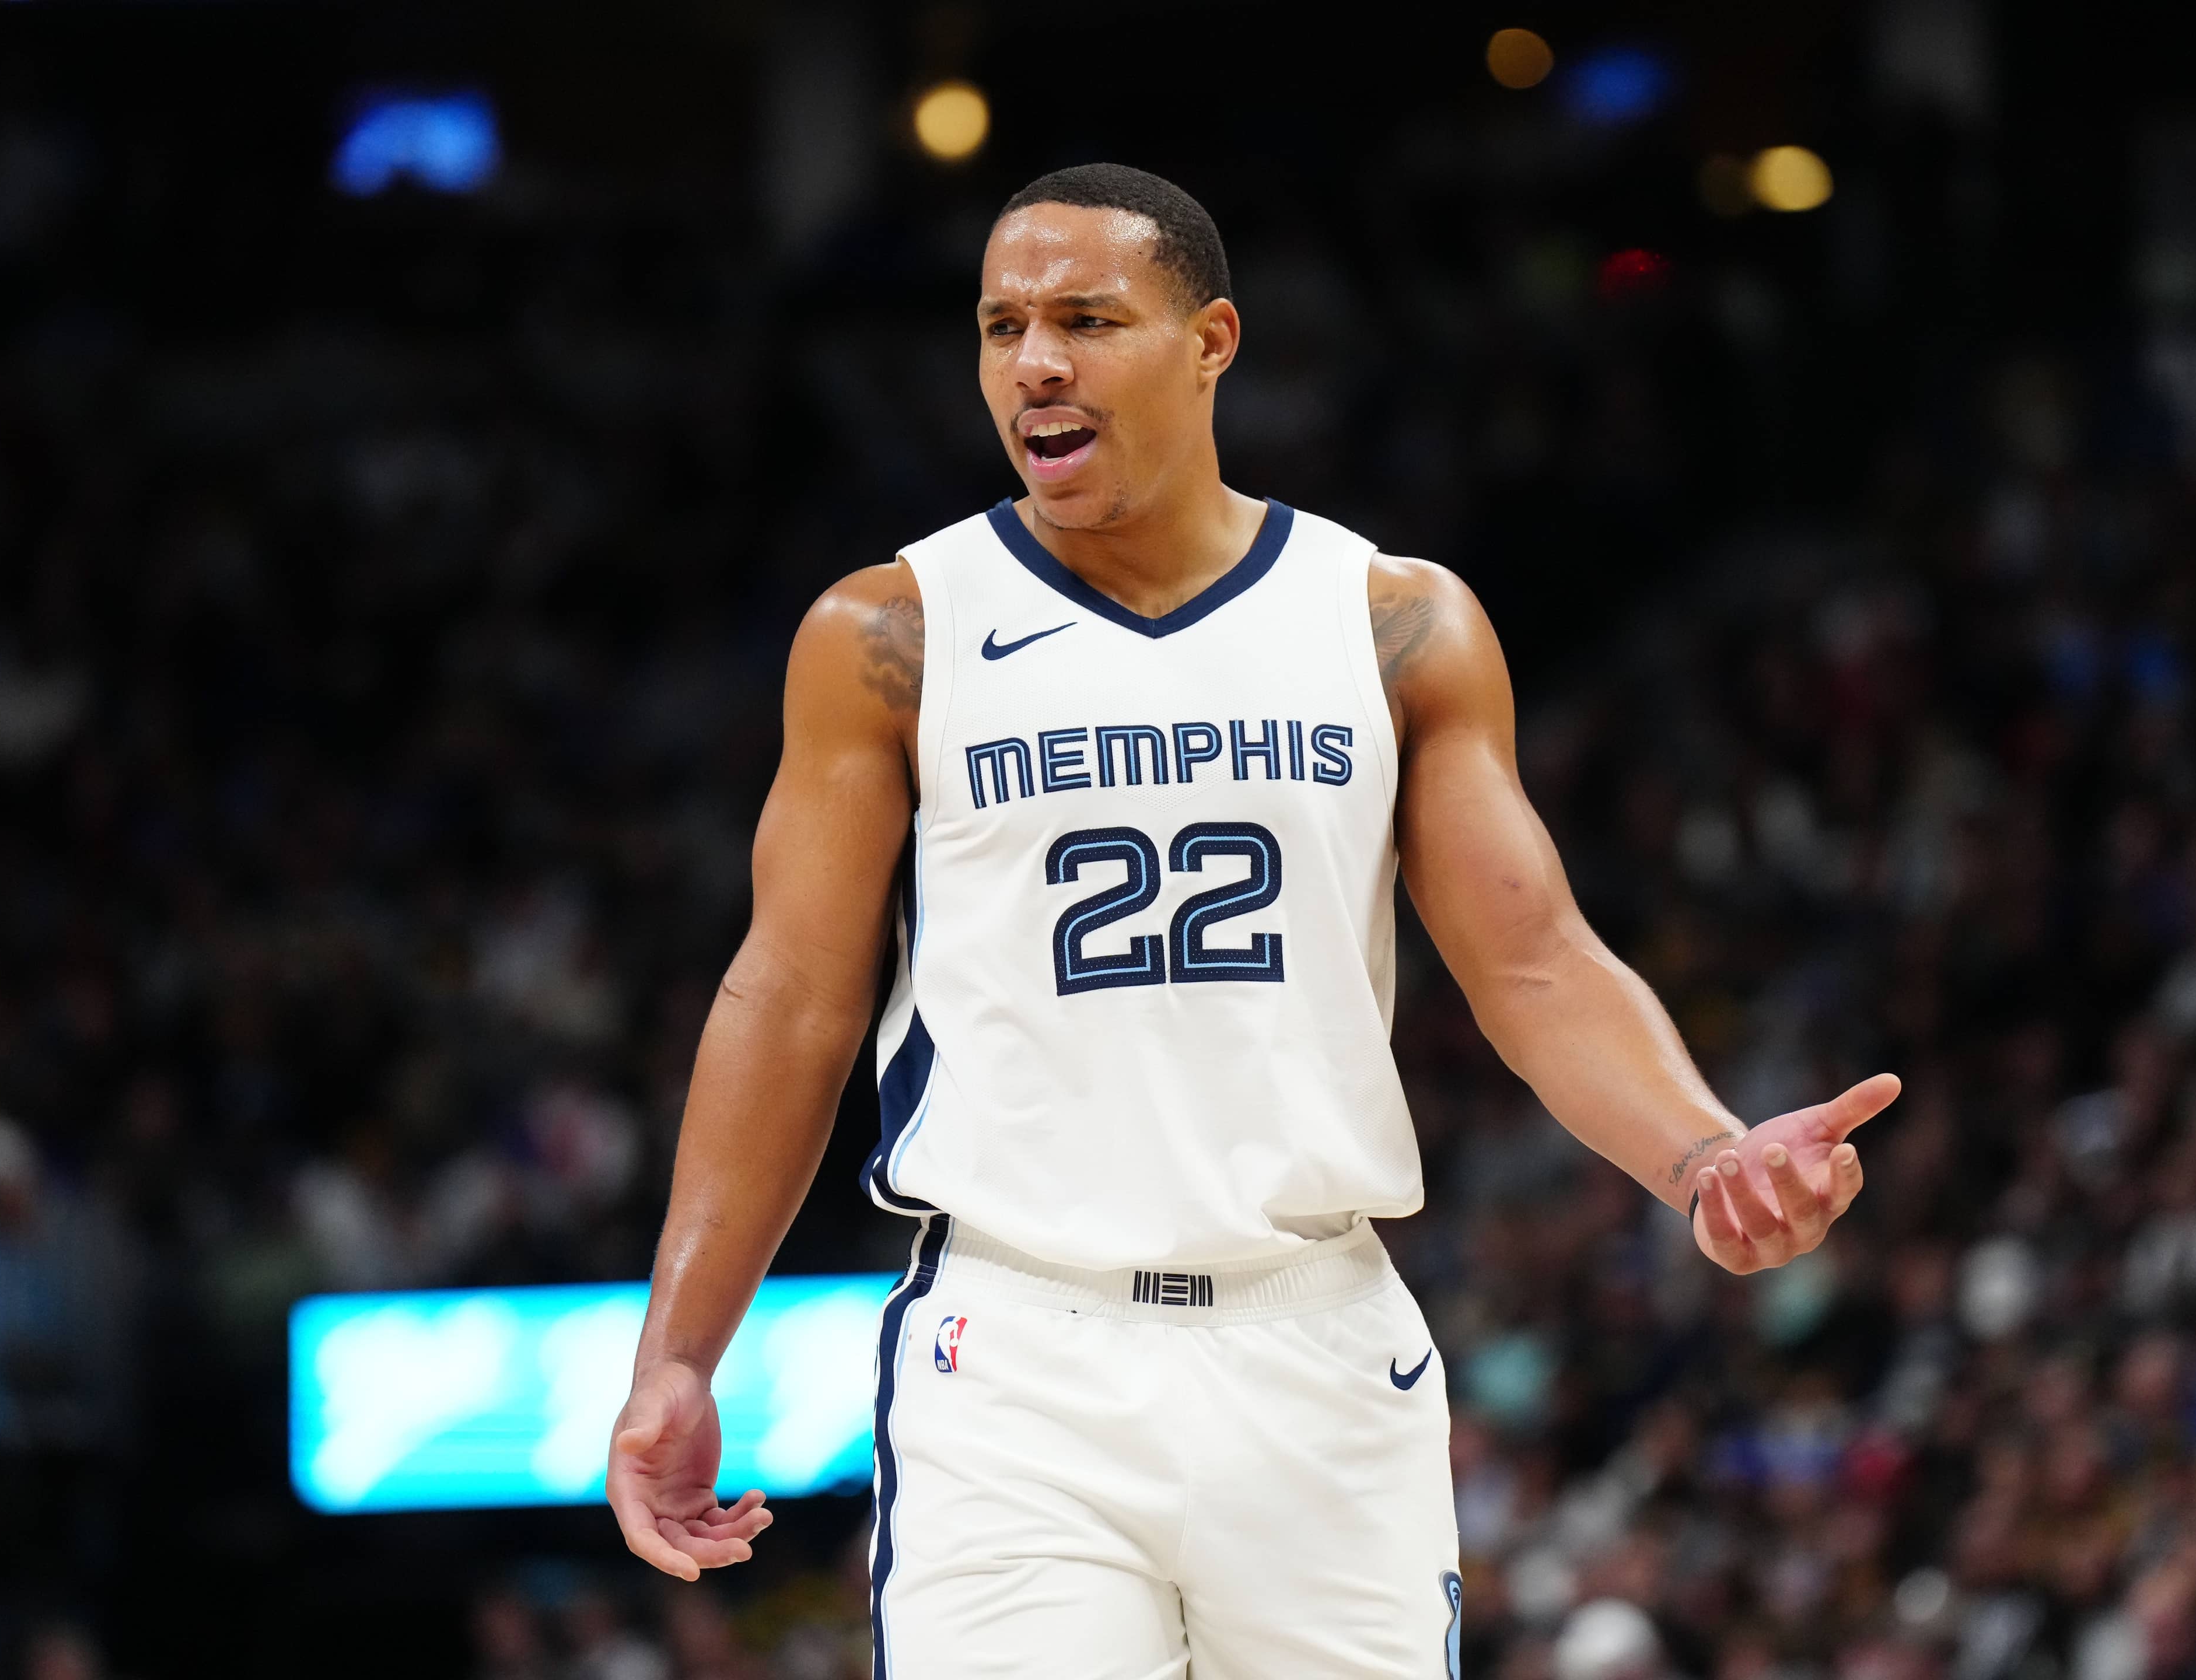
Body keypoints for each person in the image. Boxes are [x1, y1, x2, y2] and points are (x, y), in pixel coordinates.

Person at [604, 162, 1898, 1678]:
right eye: (1002, 325)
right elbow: (790, 997)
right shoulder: (891, 632)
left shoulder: (1389, 619)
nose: (1034, 363)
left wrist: (1703, 1152)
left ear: (1211, 340)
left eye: (1087, 319)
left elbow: (1535, 961)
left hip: (1316, 1340)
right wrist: (678, 1352)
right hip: (1020, 1351)